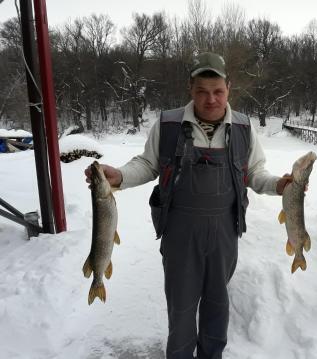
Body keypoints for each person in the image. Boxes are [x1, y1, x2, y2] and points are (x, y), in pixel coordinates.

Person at [85, 52, 291, 359]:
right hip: (180, 233)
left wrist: (279, 185)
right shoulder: (168, 125)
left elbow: (255, 173)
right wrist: (120, 176)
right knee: (180, 308)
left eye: (218, 91)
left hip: (225, 231)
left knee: (217, 305)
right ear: (190, 89)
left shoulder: (244, 128)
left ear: (228, 88)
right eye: (202, 92)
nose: (210, 100)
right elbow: (147, 163)